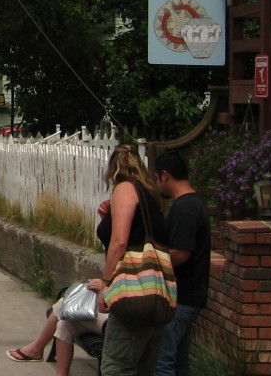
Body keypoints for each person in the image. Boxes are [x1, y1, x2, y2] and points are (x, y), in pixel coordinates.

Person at [97, 144, 169, 376]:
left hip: (133, 296)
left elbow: (119, 242)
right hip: (156, 293)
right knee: (143, 368)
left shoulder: (125, 189)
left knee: (115, 367)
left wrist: (105, 284)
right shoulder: (150, 196)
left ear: (114, 170)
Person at [151, 151, 210, 376]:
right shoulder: (195, 203)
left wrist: (151, 264)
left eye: (156, 179)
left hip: (181, 296)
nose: (157, 186)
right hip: (189, 295)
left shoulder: (184, 208)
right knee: (179, 361)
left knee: (163, 361)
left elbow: (180, 253)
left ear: (165, 175)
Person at [6, 288, 108, 373]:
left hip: (115, 322)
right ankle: (38, 351)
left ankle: (36, 349)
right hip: (110, 313)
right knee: (64, 322)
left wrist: (104, 284)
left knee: (65, 305)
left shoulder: (123, 268)